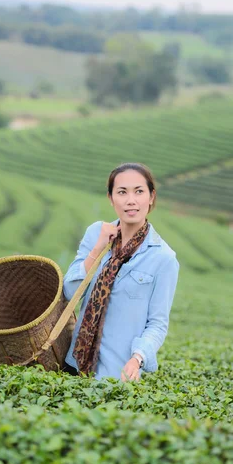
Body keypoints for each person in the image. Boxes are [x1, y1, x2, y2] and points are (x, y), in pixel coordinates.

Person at [63, 162, 179, 381]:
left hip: (117, 376)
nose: (131, 200)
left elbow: (157, 323)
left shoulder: (163, 258)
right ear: (111, 198)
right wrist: (98, 249)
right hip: (73, 366)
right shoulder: (95, 233)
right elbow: (69, 293)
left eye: (139, 191)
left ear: (151, 197)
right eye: (122, 192)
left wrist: (138, 358)